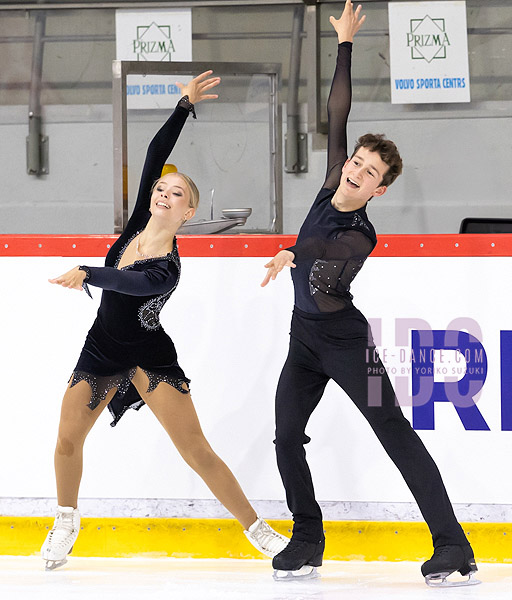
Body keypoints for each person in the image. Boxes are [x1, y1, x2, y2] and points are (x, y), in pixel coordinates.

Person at [261, 1, 478, 587]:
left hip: (349, 345)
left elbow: (326, 268)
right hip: (303, 340)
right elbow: (338, 112)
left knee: (395, 432)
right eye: (355, 162)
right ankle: (307, 538)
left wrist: (289, 252)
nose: (356, 172)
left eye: (368, 173)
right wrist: (346, 45)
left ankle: (452, 545)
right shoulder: (331, 181)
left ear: (379, 190)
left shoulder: (361, 233)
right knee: (285, 434)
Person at [42, 70, 288, 570]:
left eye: (176, 194)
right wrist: (182, 105)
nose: (163, 193)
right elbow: (155, 154)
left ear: (188, 212)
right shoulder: (136, 224)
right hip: (103, 347)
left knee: (195, 450)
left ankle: (257, 529)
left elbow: (131, 285)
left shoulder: (167, 266)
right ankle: (66, 519)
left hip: (150, 355)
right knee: (68, 438)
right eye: (161, 189)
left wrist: (90, 271)